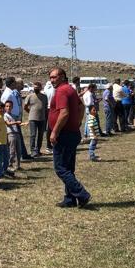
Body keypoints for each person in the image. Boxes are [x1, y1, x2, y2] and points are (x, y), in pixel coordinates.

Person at [48, 67, 91, 208]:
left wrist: (55, 132)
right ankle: (70, 199)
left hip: (64, 134)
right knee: (68, 168)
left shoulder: (62, 91)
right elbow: (81, 106)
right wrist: (78, 122)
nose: (52, 80)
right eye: (50, 77)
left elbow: (64, 113)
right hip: (72, 133)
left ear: (62, 76)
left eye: (54, 77)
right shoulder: (70, 89)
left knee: (60, 168)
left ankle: (82, 194)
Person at [1, 76, 32, 159]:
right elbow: (4, 106)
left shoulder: (11, 92)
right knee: (13, 137)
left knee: (17, 136)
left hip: (15, 117)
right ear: (12, 84)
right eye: (15, 82)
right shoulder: (8, 94)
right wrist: (8, 117)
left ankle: (21, 154)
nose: (16, 84)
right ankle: (18, 155)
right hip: (11, 118)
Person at [23, 81, 48, 157]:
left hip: (42, 119)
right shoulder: (30, 96)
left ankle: (38, 150)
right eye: (35, 87)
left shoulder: (44, 97)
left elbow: (45, 107)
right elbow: (25, 107)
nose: (36, 88)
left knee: (40, 135)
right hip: (33, 119)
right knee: (33, 135)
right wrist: (31, 112)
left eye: (37, 87)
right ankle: (33, 151)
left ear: (40, 88)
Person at [4, 100, 27, 171]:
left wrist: (23, 124)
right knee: (12, 150)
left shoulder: (13, 115)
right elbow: (8, 124)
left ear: (12, 107)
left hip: (17, 133)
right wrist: (16, 122)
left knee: (19, 151)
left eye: (10, 106)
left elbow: (18, 124)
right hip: (10, 134)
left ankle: (18, 165)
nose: (8, 107)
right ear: (5, 107)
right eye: (7, 106)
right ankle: (9, 164)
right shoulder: (5, 115)